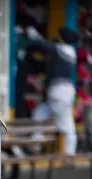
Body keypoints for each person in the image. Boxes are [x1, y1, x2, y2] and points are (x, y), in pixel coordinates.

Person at [25, 25, 80, 156]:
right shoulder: (71, 51)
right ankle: (37, 142)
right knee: (40, 113)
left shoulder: (62, 49)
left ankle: (69, 154)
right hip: (64, 92)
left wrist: (35, 35)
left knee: (66, 125)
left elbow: (46, 46)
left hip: (59, 92)